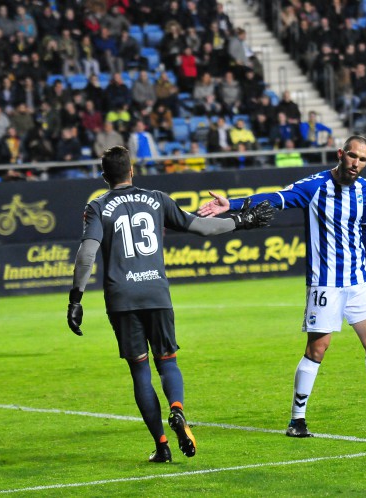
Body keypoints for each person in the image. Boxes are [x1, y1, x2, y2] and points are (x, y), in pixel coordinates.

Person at [197, 135, 366, 437]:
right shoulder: (315, 186)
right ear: (341, 154)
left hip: (358, 281)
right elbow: (277, 198)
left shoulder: (364, 189)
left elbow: (364, 228)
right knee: (317, 349)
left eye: (363, 159)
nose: (356, 163)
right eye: (353, 156)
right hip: (325, 284)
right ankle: (297, 420)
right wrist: (233, 204)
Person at [65, 146, 275, 463]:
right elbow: (203, 227)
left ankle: (162, 445)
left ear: (104, 175)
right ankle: (177, 409)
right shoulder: (157, 199)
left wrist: (76, 298)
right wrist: (242, 220)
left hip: (122, 298)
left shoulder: (98, 206)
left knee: (140, 371)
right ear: (132, 170)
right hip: (156, 293)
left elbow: (87, 254)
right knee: (168, 362)